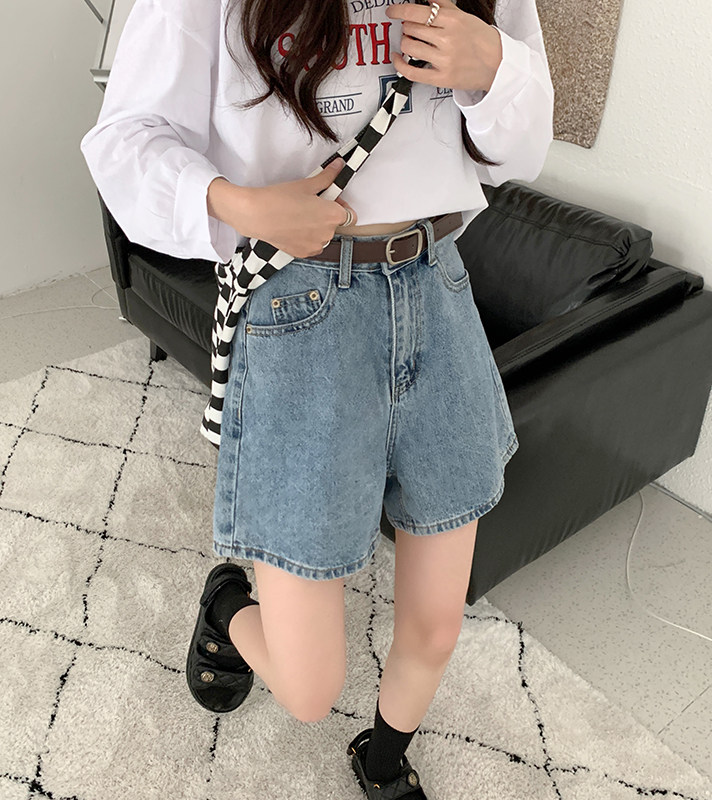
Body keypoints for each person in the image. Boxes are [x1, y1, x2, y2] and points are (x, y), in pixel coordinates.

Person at [80, 0, 553, 795]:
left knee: (437, 627)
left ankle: (382, 762)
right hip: (301, 307)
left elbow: (522, 152)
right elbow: (124, 140)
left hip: (438, 292)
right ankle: (229, 603)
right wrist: (239, 204)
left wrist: (495, 68)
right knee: (307, 689)